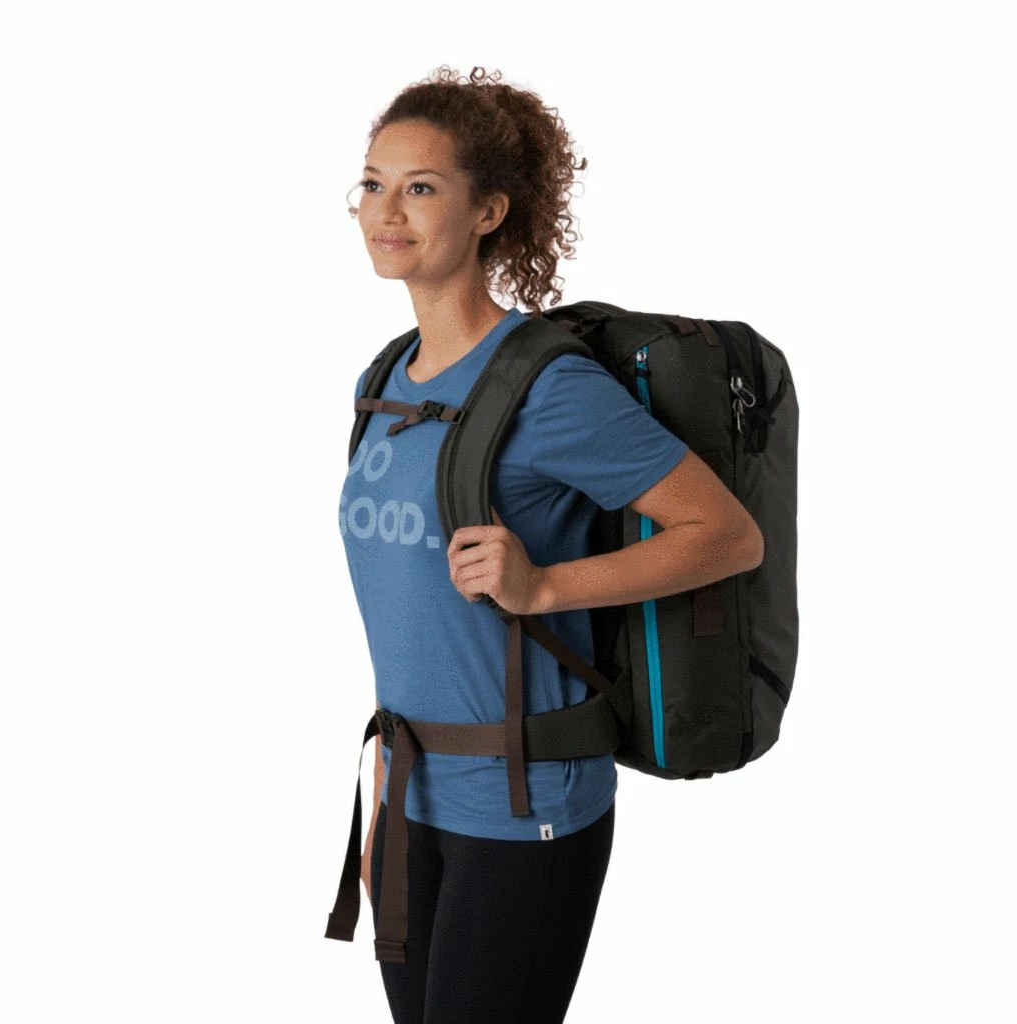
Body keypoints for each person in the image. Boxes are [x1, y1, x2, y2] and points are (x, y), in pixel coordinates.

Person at [338, 65, 762, 1024]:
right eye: (371, 183)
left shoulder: (547, 387)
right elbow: (410, 620)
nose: (385, 210)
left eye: (420, 187)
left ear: (489, 211)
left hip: (526, 803)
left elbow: (728, 536)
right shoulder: (384, 382)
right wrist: (385, 795)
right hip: (412, 798)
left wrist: (543, 587)